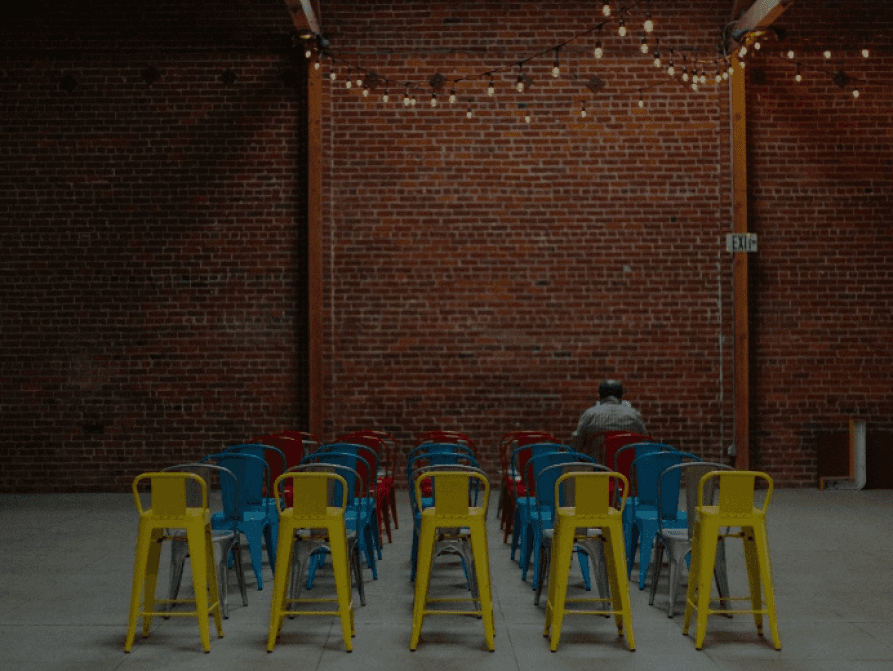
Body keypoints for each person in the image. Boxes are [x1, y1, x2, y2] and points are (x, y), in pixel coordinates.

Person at [571, 378, 647, 452]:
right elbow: (645, 442)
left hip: (596, 460)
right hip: (627, 460)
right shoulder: (634, 415)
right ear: (621, 396)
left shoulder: (589, 414)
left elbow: (577, 445)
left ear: (600, 395)